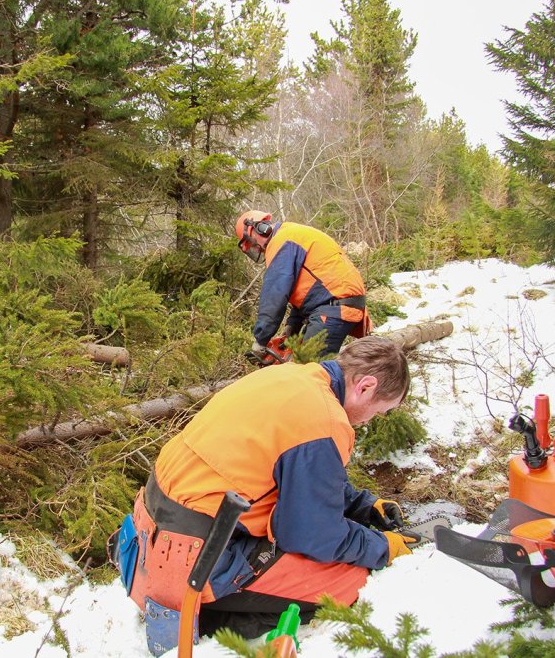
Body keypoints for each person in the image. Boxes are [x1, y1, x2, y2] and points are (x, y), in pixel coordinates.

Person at [111, 336, 414, 643]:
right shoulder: (324, 420)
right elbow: (310, 534)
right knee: (350, 581)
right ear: (366, 387)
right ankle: (213, 623)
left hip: (154, 528)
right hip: (195, 558)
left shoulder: (290, 377)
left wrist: (363, 505)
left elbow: (298, 469)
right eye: (377, 411)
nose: (368, 421)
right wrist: (381, 548)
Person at [235, 210, 371, 358]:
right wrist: (292, 326)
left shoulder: (281, 242)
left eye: (251, 243)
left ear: (259, 228)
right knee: (312, 368)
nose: (257, 249)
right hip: (339, 304)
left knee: (307, 371)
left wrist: (260, 340)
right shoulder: (291, 234)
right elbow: (311, 289)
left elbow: (274, 296)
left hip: (333, 308)